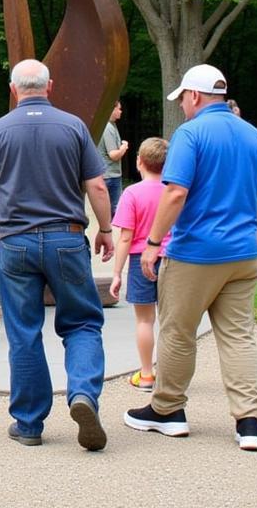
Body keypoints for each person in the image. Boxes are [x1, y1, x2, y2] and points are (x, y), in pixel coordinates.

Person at [125, 64, 257, 452]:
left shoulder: (190, 134)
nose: (183, 108)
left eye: (184, 100)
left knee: (178, 331)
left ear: (194, 96)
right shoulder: (253, 134)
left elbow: (175, 193)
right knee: (239, 336)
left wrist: (155, 242)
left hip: (195, 252)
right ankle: (249, 422)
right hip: (242, 253)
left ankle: (168, 410)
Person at [0, 59, 114, 451]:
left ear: (14, 89)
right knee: (83, 323)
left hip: (15, 242)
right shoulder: (73, 127)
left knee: (23, 331)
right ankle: (83, 393)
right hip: (66, 239)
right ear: (49, 87)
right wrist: (105, 230)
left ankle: (29, 423)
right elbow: (98, 187)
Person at [108, 137, 170, 391]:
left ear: (139, 162)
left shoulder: (131, 193)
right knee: (172, 323)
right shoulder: (174, 192)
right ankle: (171, 377)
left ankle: (146, 374)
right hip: (172, 259)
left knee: (145, 321)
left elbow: (125, 237)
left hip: (139, 260)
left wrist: (116, 273)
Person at [96, 100, 129, 217]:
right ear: (112, 109)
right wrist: (124, 147)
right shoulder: (108, 127)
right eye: (118, 109)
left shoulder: (111, 125)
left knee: (109, 212)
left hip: (108, 175)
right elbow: (113, 155)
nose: (121, 111)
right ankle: (110, 234)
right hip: (110, 176)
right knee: (115, 212)